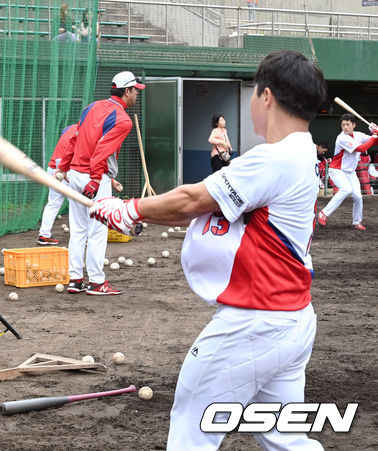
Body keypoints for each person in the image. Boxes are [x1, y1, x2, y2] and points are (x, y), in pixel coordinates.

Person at [89, 50, 327, 449]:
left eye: (254, 92)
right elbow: (209, 208)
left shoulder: (277, 158)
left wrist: (129, 209)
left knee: (191, 428)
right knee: (286, 438)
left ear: (266, 97)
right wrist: (135, 212)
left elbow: (190, 199)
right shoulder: (300, 152)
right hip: (290, 318)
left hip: (255, 323)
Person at [57, 71, 144, 295]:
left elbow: (74, 138)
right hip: (94, 177)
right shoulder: (123, 120)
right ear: (127, 91)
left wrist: (63, 166)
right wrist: (96, 178)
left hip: (75, 174)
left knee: (78, 230)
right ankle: (96, 282)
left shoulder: (92, 107)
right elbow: (101, 151)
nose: (137, 94)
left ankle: (75, 280)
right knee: (97, 230)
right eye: (135, 90)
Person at [317, 113, 377, 230]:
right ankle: (323, 213)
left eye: (348, 125)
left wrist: (375, 133)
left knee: (358, 197)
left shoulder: (359, 135)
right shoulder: (342, 138)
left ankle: (357, 222)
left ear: (354, 125)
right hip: (337, 170)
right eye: (343, 124)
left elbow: (374, 142)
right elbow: (362, 148)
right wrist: (375, 135)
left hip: (350, 172)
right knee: (346, 190)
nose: (345, 127)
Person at [37, 124, 77, 245]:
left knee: (53, 203)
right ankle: (80, 237)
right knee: (77, 206)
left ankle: (44, 235)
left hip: (53, 169)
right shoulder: (86, 130)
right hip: (66, 170)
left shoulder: (70, 128)